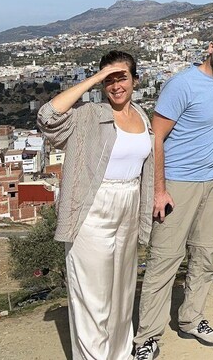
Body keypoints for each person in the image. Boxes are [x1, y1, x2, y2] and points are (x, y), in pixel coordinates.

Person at [132, 24, 213, 360]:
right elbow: (156, 137)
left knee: (206, 255)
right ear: (211, 48)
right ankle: (147, 337)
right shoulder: (181, 84)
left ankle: (191, 318)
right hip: (177, 183)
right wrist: (159, 190)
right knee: (164, 260)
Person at [37, 51, 154, 360]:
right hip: (92, 206)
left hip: (129, 205)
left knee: (122, 290)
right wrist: (94, 79)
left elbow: (147, 167)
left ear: (135, 80)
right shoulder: (88, 114)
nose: (116, 86)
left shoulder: (142, 116)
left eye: (122, 77)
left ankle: (121, 353)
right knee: (92, 295)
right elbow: (47, 117)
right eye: (109, 80)